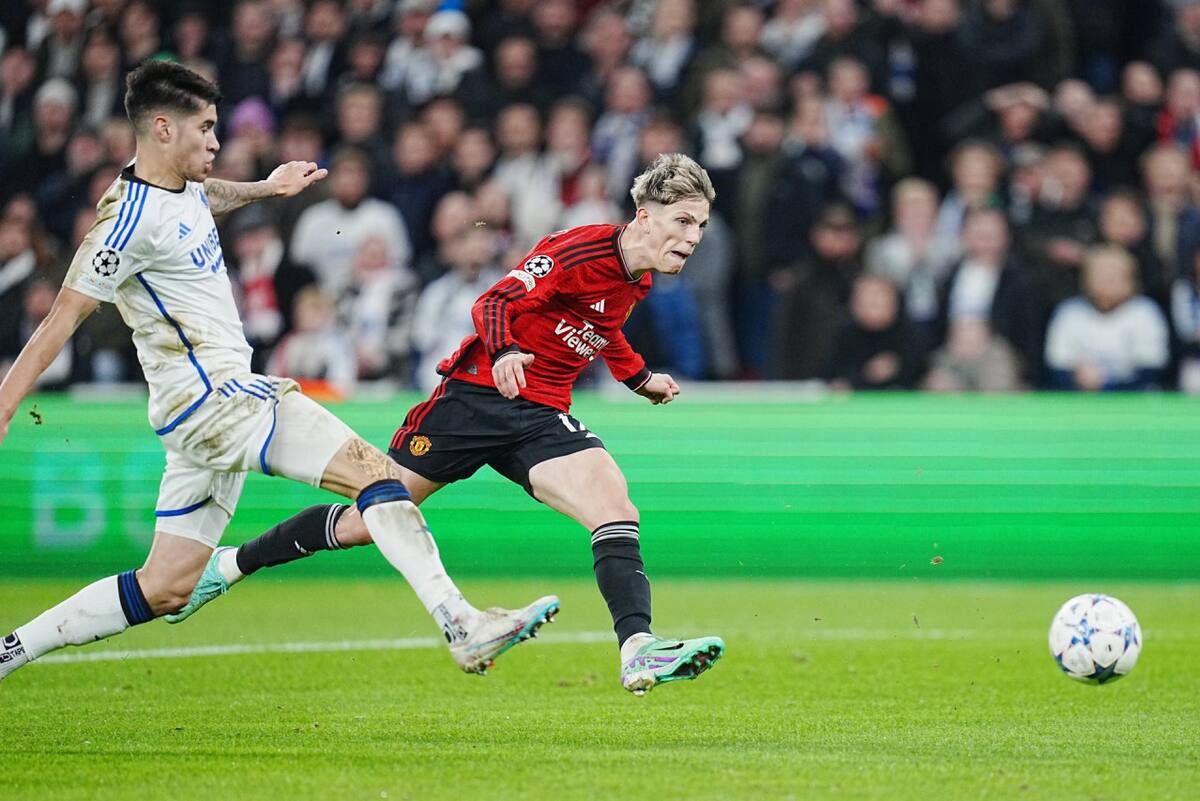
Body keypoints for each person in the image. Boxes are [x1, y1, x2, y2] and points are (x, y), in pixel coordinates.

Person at [0, 61, 553, 686]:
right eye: (204, 128)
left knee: (167, 586)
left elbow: (210, 197)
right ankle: (462, 624)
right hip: (221, 400)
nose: (215, 140)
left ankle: (8, 651)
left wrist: (266, 186)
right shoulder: (125, 222)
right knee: (376, 475)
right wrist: (5, 405)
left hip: (192, 419)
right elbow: (62, 316)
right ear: (161, 128)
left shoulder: (180, 190)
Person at [166, 153, 726, 696]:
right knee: (368, 521)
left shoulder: (638, 280)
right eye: (683, 220)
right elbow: (493, 302)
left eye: (699, 224)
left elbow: (599, 327)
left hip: (540, 414)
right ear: (645, 216)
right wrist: (505, 352)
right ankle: (226, 566)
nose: (693, 236)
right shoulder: (579, 248)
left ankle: (638, 649)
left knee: (614, 507)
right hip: (474, 400)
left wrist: (638, 377)